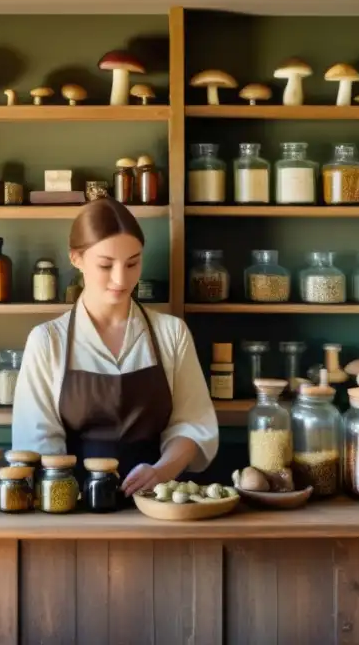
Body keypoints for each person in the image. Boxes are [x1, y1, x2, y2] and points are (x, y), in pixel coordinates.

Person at [11, 198, 218, 495]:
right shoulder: (47, 341)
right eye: (106, 265)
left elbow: (192, 424)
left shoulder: (171, 334)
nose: (122, 279)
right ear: (76, 258)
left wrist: (161, 472)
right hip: (74, 503)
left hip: (159, 500)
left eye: (133, 263)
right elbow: (37, 441)